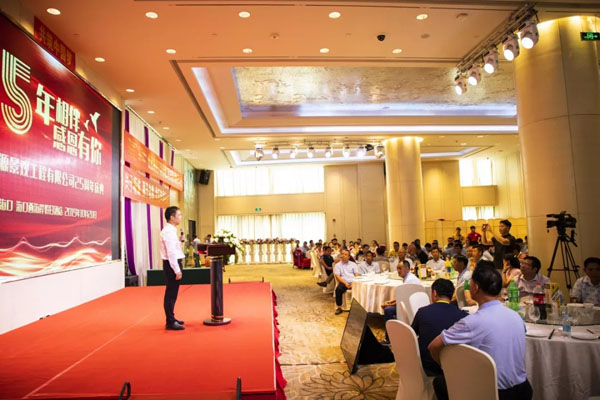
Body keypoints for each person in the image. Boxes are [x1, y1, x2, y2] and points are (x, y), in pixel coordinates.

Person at [428, 261, 532, 400]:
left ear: (475, 287)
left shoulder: (471, 322)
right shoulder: (515, 316)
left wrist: (445, 366)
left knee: (440, 382)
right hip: (523, 390)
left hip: (494, 393)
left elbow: (434, 346)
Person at [412, 279, 468, 378]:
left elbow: (412, 334)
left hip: (426, 365)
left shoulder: (423, 312)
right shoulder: (462, 315)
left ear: (434, 293)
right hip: (453, 367)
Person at [380, 260, 423, 344]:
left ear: (407, 268)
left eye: (400, 268)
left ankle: (389, 339)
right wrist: (389, 302)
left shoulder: (410, 280)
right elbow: (402, 297)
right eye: (397, 269)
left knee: (388, 310)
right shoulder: (408, 278)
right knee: (388, 307)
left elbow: (402, 300)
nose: (398, 271)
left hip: (411, 306)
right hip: (410, 304)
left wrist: (388, 304)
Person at [160, 206, 185, 331]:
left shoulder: (171, 231)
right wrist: (177, 269)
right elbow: (171, 253)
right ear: (172, 217)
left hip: (172, 263)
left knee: (173, 293)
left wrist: (179, 241)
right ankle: (170, 321)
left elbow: (173, 248)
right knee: (171, 293)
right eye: (178, 215)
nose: (180, 217)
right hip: (171, 265)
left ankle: (172, 318)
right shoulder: (168, 232)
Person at [333, 250, 359, 315]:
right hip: (343, 282)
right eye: (342, 254)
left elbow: (356, 275)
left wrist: (353, 283)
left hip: (353, 282)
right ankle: (339, 307)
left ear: (349, 257)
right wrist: (345, 283)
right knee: (338, 290)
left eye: (345, 254)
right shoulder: (338, 265)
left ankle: (359, 307)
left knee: (362, 288)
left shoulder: (353, 264)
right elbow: (337, 276)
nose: (343, 256)